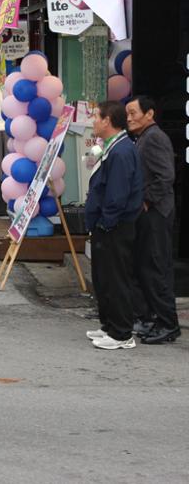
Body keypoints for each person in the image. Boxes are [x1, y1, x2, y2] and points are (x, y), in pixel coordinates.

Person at [84, 101, 143, 351]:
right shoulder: (112, 146)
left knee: (116, 278)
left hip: (115, 226)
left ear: (108, 120)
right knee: (103, 277)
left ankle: (122, 333)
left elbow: (117, 194)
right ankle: (109, 325)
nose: (93, 121)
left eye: (96, 117)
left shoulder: (121, 151)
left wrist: (106, 222)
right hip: (106, 225)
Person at [125, 96, 180, 344]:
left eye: (134, 113)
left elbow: (166, 176)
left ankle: (169, 324)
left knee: (156, 268)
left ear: (149, 114)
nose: (129, 118)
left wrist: (147, 200)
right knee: (146, 267)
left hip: (157, 213)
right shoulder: (143, 138)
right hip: (148, 213)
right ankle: (155, 319)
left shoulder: (155, 137)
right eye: (127, 113)